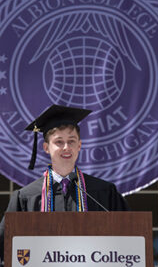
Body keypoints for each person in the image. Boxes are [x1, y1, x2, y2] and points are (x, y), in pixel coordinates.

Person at [0, 104, 129, 263]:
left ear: (79, 145)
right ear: (46, 148)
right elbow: (5, 247)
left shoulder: (104, 191)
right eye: (59, 142)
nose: (66, 147)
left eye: (72, 141)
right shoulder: (25, 197)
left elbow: (128, 240)